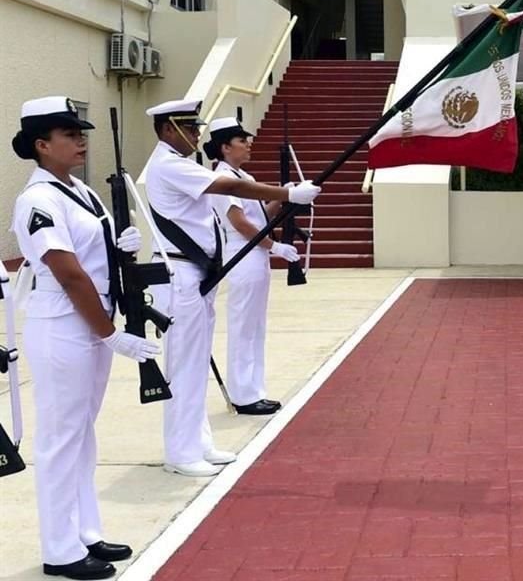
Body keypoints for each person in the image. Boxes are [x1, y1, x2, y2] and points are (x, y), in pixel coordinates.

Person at [11, 96, 160, 580]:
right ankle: (60, 550)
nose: (81, 141)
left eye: (81, 133)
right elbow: (69, 273)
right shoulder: (38, 199)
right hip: (64, 328)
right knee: (61, 439)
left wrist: (119, 245)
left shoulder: (80, 190)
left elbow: (91, 257)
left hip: (90, 324)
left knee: (83, 435)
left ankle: (85, 532)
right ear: (41, 144)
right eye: (69, 134)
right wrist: (112, 335)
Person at [143, 99, 321, 477]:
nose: (196, 134)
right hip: (181, 272)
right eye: (189, 128)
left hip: (197, 272)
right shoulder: (169, 164)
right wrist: (287, 195)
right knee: (185, 367)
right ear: (168, 129)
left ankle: (198, 442)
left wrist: (281, 198)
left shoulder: (180, 164)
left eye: (196, 127)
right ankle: (181, 452)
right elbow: (229, 186)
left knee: (196, 365)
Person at [205, 117, 299, 415]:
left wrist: (283, 196)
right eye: (241, 140)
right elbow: (239, 222)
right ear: (225, 147)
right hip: (242, 253)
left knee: (255, 327)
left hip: (255, 254)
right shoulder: (224, 179)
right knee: (243, 327)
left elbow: (259, 217)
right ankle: (243, 395)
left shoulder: (242, 175)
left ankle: (254, 390)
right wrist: (275, 247)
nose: (248, 144)